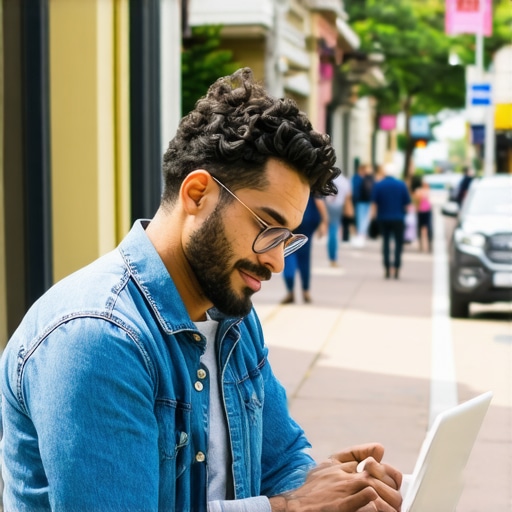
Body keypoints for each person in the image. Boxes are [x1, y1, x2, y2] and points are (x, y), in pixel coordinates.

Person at [0, 68, 402, 512]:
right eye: (267, 228)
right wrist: (290, 507)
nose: (275, 261)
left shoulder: (233, 316)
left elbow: (280, 458)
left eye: (287, 239)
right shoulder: (96, 337)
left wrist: (335, 485)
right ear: (197, 194)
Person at [281, 194, 328, 304]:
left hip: (289, 223)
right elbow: (319, 201)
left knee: (287, 255)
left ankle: (290, 291)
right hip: (306, 223)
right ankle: (305, 291)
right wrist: (324, 221)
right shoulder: (310, 181)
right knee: (305, 259)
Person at [370, 163, 411, 279]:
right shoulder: (401, 185)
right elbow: (407, 204)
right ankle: (397, 268)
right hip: (398, 218)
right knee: (398, 244)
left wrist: (372, 218)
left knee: (386, 243)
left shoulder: (379, 185)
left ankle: (387, 268)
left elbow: (374, 204)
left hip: (383, 218)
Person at [325, 172, 351, 267]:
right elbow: (348, 195)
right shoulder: (344, 181)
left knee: (331, 230)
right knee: (334, 229)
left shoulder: (329, 178)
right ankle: (333, 257)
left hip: (328, 204)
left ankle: (332, 256)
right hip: (338, 205)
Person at [351, 162, 374, 247]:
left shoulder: (357, 178)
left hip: (361, 201)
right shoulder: (367, 178)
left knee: (362, 219)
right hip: (364, 201)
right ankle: (362, 234)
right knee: (363, 219)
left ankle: (361, 234)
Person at [412, 177, 433, 252]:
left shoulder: (427, 191)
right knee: (420, 228)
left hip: (426, 211)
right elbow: (415, 199)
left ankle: (429, 245)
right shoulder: (419, 191)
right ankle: (421, 244)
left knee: (428, 228)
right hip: (421, 211)